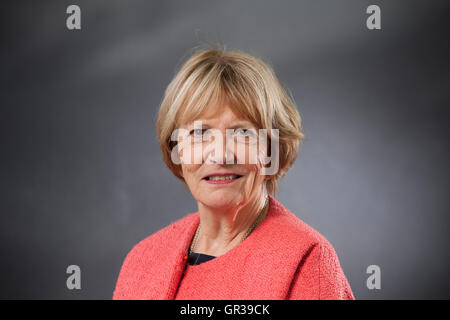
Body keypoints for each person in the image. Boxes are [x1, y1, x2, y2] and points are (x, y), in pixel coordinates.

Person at [113, 48, 354, 300]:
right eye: (199, 133)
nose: (220, 155)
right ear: (176, 149)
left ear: (271, 148)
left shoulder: (308, 261)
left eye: (242, 133)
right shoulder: (143, 259)